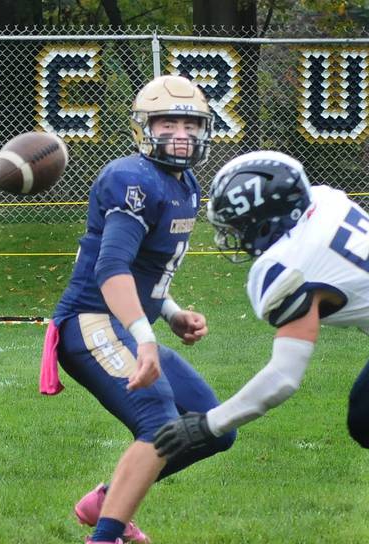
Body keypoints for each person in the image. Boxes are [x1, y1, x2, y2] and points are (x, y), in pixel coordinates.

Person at [39, 75, 236, 544]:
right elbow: (111, 268)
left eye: (190, 121)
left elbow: (148, 269)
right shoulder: (130, 177)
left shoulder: (185, 183)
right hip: (93, 323)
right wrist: (145, 336)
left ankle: (106, 500)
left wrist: (169, 313)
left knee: (213, 426)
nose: (180, 132)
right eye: (167, 121)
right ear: (143, 128)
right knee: (160, 423)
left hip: (127, 324)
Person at [154, 151, 369, 463]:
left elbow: (284, 376)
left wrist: (209, 424)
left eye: (240, 225)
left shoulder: (289, 265)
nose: (235, 235)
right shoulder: (326, 201)